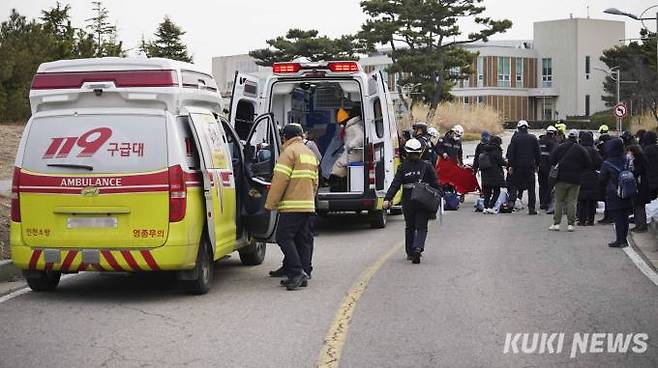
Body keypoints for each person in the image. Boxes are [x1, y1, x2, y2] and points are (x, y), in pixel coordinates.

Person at [265, 124, 319, 290]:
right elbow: (315, 182)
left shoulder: (288, 153)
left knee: (283, 237)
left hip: (292, 204)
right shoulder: (309, 153)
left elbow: (280, 181)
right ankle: (301, 270)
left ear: (285, 137)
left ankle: (296, 272)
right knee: (301, 238)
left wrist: (270, 203)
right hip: (307, 204)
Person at [383, 138, 440, 264]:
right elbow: (436, 184)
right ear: (420, 152)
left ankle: (410, 253)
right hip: (423, 200)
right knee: (421, 227)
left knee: (410, 227)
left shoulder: (403, 167)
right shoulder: (427, 165)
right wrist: (439, 196)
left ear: (406, 152)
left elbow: (395, 185)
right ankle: (418, 248)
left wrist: (388, 199)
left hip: (408, 201)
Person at [548, 130, 592, 232]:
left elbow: (551, 159)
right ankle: (571, 224)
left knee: (559, 201)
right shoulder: (581, 149)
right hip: (575, 179)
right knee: (572, 201)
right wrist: (580, 170)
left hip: (561, 178)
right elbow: (589, 164)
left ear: (568, 137)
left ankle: (556, 224)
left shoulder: (560, 147)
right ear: (577, 138)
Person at [599, 138, 633, 247]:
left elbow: (602, 178)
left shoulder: (607, 163)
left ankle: (620, 240)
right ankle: (624, 239)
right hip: (628, 191)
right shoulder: (627, 159)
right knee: (625, 216)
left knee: (618, 217)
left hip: (614, 192)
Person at [506, 120, 541, 215]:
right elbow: (538, 153)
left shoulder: (515, 138)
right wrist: (537, 165)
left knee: (514, 185)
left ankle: (511, 204)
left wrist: (510, 165)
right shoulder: (533, 138)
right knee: (531, 188)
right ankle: (531, 208)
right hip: (530, 167)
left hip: (517, 167)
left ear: (518, 128)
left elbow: (511, 153)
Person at [577, 131, 602, 226]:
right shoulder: (594, 151)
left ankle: (582, 220)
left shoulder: (579, 150)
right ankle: (591, 220)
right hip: (592, 176)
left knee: (582, 199)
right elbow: (599, 163)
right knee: (592, 200)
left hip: (581, 176)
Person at [479, 135, 506, 214]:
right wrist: (508, 163)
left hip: (485, 174)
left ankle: (485, 207)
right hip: (495, 174)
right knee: (497, 191)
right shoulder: (496, 151)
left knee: (487, 192)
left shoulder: (486, 149)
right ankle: (491, 207)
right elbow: (500, 162)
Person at [627, 144, 650, 233]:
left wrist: (631, 172)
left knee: (638, 206)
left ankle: (641, 226)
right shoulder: (642, 159)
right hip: (642, 186)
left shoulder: (638, 161)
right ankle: (639, 225)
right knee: (638, 206)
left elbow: (637, 172)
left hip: (640, 186)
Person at [538, 126, 559, 210]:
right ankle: (547, 202)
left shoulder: (539, 141)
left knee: (542, 185)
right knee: (549, 185)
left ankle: (542, 202)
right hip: (550, 167)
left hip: (540, 166)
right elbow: (555, 155)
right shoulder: (553, 142)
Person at [641, 131, 658, 203]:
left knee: (652, 199)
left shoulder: (646, 149)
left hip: (649, 178)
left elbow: (643, 164)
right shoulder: (656, 148)